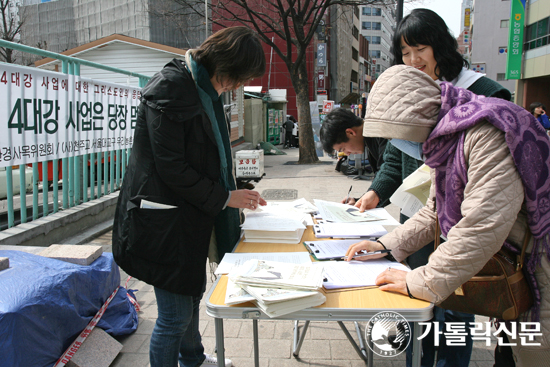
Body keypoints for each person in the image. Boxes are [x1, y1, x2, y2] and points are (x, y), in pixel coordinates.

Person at [347, 64, 550, 367]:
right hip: (519, 264)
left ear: (416, 119)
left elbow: (481, 227)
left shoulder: (484, 135)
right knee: (512, 348)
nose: (399, 146)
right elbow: (433, 211)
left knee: (535, 352)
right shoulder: (447, 138)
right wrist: (386, 245)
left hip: (540, 266)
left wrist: (421, 280)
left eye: (399, 135)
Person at [345, 9, 512, 367]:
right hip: (425, 218)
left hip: (487, 234)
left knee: (455, 307)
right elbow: (431, 196)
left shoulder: (484, 107)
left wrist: (421, 279)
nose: (412, 59)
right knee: (419, 305)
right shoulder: (417, 99)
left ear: (441, 45)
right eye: (404, 53)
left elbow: (482, 224)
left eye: (419, 48)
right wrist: (383, 236)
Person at [111, 26, 267, 367]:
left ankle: (193, 359)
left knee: (189, 295)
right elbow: (173, 169)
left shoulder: (202, 90)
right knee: (173, 316)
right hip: (162, 221)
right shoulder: (170, 90)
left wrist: (237, 191)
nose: (236, 86)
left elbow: (211, 156)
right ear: (224, 65)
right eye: (237, 79)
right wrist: (226, 197)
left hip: (185, 217)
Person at [320, 108, 387, 175]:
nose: (347, 153)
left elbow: (388, 171)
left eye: (343, 149)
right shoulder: (369, 139)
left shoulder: (380, 133)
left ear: (350, 133)